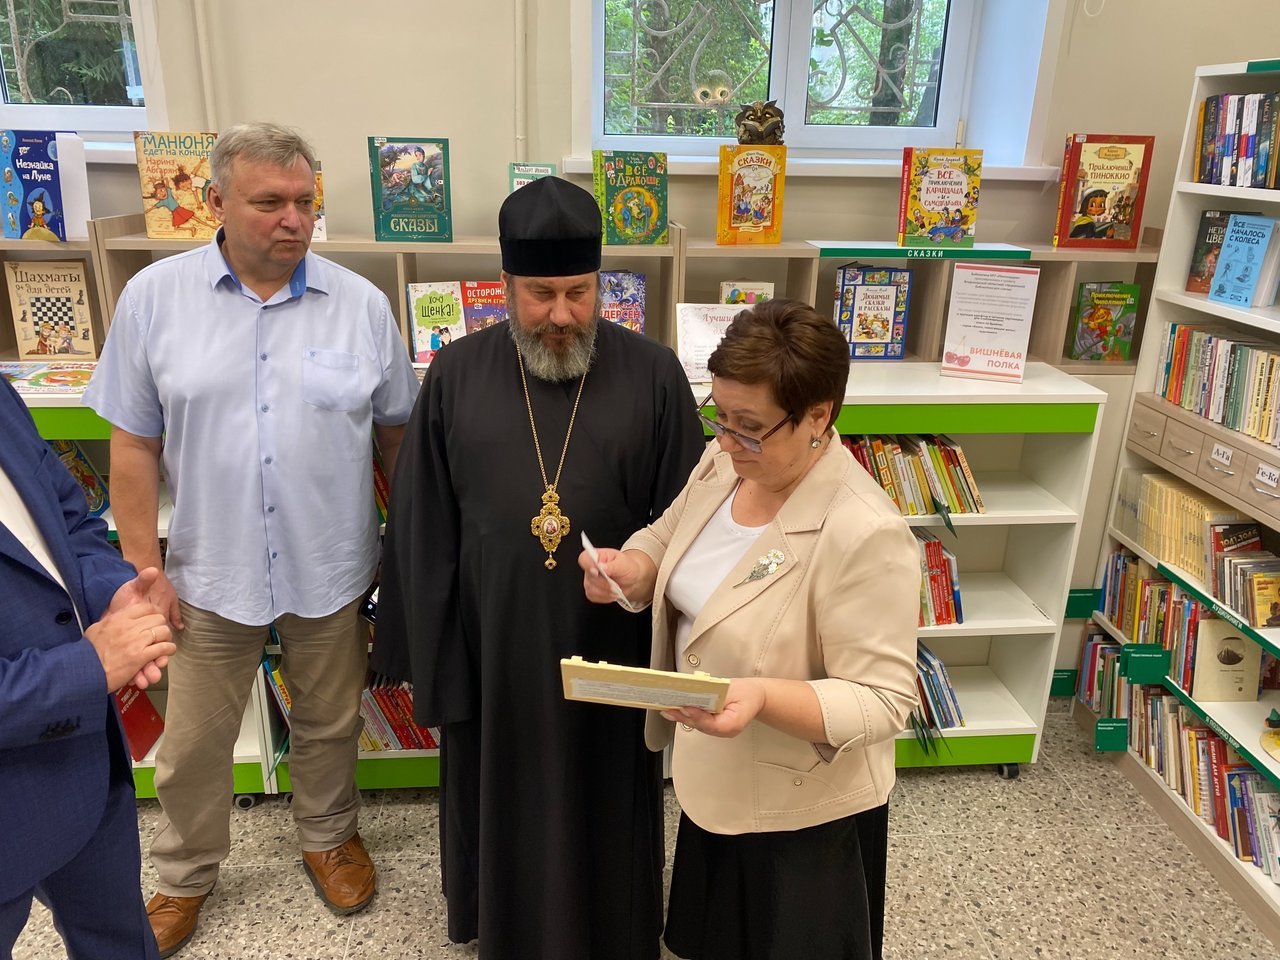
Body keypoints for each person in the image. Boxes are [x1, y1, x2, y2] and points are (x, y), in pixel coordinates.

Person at [84, 121, 419, 957]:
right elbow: (133, 444)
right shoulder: (154, 300)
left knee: (330, 719)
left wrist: (405, 548)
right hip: (208, 570)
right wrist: (142, 570)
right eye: (270, 202)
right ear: (216, 202)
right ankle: (184, 874)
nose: (293, 219)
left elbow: (397, 436)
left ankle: (329, 836)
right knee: (194, 742)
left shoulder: (361, 305)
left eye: (305, 201)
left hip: (332, 562)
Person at [372, 174, 704, 960]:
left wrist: (653, 594)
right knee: (500, 785)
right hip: (495, 647)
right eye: (541, 295)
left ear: (601, 285)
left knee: (605, 789)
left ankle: (613, 926)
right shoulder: (455, 374)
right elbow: (422, 525)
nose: (561, 315)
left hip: (612, 643)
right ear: (506, 286)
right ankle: (505, 923)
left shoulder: (654, 373)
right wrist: (437, 663)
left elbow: (691, 521)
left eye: (579, 293)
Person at [581, 299, 921, 960]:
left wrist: (760, 696)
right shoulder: (725, 463)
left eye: (751, 428)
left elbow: (884, 701)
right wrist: (634, 567)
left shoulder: (863, 531)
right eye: (721, 416)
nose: (728, 441)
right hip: (715, 781)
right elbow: (669, 534)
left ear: (818, 416)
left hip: (799, 811)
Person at [0, 376, 176, 959]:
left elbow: (70, 521)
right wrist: (90, 666)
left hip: (87, 768)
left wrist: (111, 593)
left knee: (120, 941)